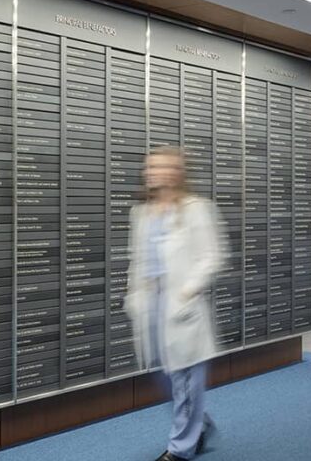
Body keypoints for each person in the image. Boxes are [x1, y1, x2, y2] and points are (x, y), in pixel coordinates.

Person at [126, 146, 224, 461]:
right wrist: (133, 294)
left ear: (178, 173)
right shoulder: (141, 213)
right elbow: (137, 260)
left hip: (182, 304)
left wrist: (187, 291)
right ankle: (199, 423)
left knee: (185, 379)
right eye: (151, 166)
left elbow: (212, 256)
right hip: (152, 305)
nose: (155, 171)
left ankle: (180, 448)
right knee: (167, 378)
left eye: (164, 166)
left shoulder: (196, 209)